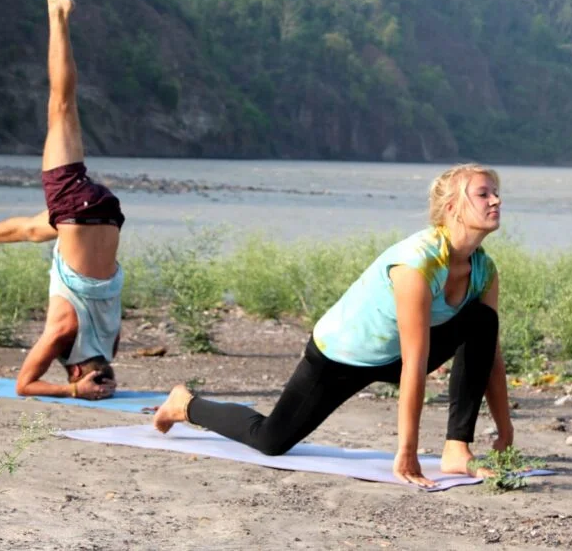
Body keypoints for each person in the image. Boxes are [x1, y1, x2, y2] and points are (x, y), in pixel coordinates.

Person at [153, 164, 512, 488]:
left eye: (496, 193)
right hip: (340, 357)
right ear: (452, 208)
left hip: (395, 357)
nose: (495, 200)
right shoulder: (417, 265)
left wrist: (505, 431)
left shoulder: (484, 270)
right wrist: (406, 451)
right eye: (483, 193)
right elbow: (415, 364)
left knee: (482, 321)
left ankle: (456, 448)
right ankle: (185, 404)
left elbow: (488, 353)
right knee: (271, 441)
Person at [0, 0, 123, 402]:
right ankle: (57, 16)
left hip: (105, 217)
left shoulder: (110, 342)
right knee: (61, 104)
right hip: (82, 211)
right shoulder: (66, 333)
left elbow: (93, 363)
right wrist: (73, 393)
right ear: (77, 368)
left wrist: (93, 378)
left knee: (35, 228)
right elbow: (24, 386)